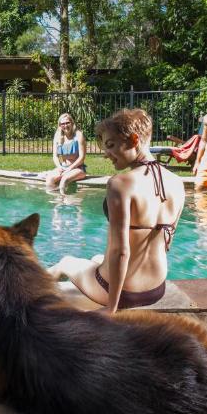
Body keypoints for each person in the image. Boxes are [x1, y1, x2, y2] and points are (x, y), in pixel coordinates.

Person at [47, 108, 185, 313]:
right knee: (96, 258)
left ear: (134, 139)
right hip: (156, 288)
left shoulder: (120, 184)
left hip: (122, 293)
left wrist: (111, 309)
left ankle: (20, 289)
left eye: (111, 145)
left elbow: (121, 252)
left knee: (66, 262)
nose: (106, 154)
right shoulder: (177, 182)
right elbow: (166, 242)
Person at [44, 113, 87, 194]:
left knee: (64, 180)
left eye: (67, 123)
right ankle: (57, 202)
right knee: (49, 179)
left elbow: (82, 158)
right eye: (62, 124)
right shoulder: (58, 136)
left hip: (77, 168)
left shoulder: (78, 135)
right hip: (63, 168)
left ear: (72, 123)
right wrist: (59, 167)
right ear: (60, 125)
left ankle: (65, 201)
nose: (65, 125)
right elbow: (56, 156)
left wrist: (69, 169)